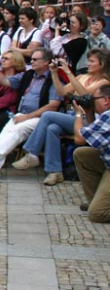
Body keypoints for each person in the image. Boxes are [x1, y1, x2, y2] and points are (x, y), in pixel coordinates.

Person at [13, 49, 110, 186]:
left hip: (87, 118)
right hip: (72, 114)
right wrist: (54, 73)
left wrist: (68, 71)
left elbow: (86, 96)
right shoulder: (82, 77)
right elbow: (62, 91)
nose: (88, 63)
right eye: (88, 60)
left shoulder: (103, 83)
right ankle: (55, 172)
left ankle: (32, 153)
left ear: (102, 64)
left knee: (47, 115)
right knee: (52, 128)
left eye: (92, 61)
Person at [0, 47, 62, 178]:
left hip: (41, 117)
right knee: (7, 130)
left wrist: (27, 117)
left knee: (18, 130)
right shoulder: (28, 75)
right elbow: (5, 81)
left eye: (35, 59)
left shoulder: (53, 79)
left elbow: (53, 106)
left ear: (46, 62)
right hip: (22, 113)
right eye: (31, 59)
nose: (31, 61)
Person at [71, 83, 110, 223]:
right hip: (107, 162)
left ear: (106, 100)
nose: (92, 102)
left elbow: (79, 139)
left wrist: (78, 114)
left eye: (94, 99)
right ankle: (97, 200)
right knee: (82, 154)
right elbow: (92, 137)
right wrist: (88, 112)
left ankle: (101, 207)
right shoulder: (104, 115)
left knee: (97, 214)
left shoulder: (108, 116)